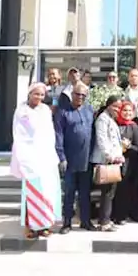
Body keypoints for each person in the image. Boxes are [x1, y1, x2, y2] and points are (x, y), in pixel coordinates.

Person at [10, 83, 62, 239]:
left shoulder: (45, 110)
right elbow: (22, 134)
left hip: (45, 157)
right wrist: (25, 155)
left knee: (46, 192)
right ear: (29, 94)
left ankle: (44, 225)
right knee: (31, 194)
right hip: (29, 157)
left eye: (41, 95)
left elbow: (48, 132)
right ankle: (31, 227)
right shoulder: (22, 111)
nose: (39, 97)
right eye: (36, 94)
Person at [54, 82, 96, 234]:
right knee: (69, 193)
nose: (80, 97)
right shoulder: (63, 112)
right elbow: (58, 135)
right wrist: (61, 157)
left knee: (85, 193)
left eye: (83, 95)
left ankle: (85, 221)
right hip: (69, 160)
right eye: (78, 94)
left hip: (86, 159)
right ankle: (66, 223)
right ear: (72, 94)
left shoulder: (89, 110)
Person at [90, 95, 125, 232]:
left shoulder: (111, 119)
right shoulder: (103, 119)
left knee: (110, 192)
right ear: (108, 105)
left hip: (113, 161)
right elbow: (102, 140)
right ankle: (104, 222)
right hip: (106, 161)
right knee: (107, 193)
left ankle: (106, 219)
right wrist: (111, 157)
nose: (117, 109)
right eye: (115, 106)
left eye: (119, 107)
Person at [111, 101, 138, 225]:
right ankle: (112, 215)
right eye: (125, 110)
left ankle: (122, 216)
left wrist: (128, 146)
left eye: (130, 111)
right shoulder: (114, 124)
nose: (127, 113)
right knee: (113, 190)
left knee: (124, 190)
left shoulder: (134, 126)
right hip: (113, 162)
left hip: (128, 163)